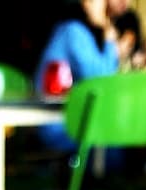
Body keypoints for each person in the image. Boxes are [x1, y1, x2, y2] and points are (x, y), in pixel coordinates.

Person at [34, 0, 119, 151]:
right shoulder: (72, 31)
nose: (106, 7)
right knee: (118, 140)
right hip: (56, 123)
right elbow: (102, 80)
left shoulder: (71, 30)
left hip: (65, 117)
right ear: (86, 3)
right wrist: (109, 41)